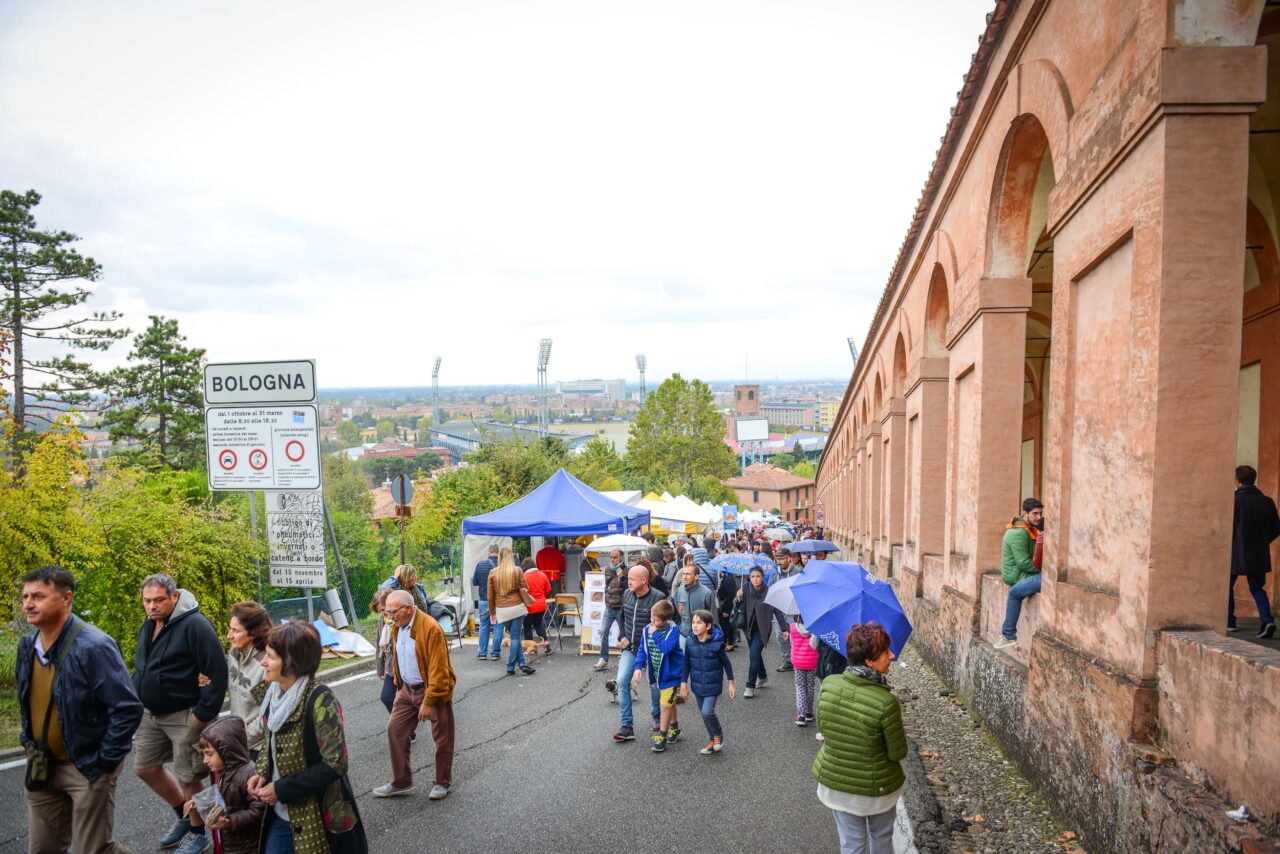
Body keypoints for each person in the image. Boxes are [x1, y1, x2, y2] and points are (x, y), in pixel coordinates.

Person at [18, 565, 143, 854]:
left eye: (38, 596)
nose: (28, 604)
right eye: (25, 596)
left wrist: (104, 764)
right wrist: (28, 742)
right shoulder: (27, 645)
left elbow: (127, 709)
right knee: (42, 849)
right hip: (41, 764)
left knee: (94, 849)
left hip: (86, 766)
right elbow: (28, 702)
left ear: (66, 598)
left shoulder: (94, 646)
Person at [247, 621, 367, 854]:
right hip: (280, 814)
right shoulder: (273, 694)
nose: (263, 662)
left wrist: (282, 789)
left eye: (270, 657)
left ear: (291, 663)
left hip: (317, 815)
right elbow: (270, 741)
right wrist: (261, 772)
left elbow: (335, 764)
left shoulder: (320, 700)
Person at [133, 574, 228, 851]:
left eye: (159, 600)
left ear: (174, 597)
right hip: (152, 714)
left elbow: (217, 671)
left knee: (191, 777)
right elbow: (145, 666)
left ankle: (205, 831)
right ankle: (186, 816)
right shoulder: (149, 624)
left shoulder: (195, 625)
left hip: (186, 714)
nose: (152, 606)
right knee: (145, 767)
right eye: (147, 601)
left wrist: (201, 714)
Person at [813, 623, 906, 854]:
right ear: (869, 661)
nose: (892, 656)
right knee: (882, 839)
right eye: (885, 652)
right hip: (877, 791)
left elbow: (823, 727)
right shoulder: (886, 703)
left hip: (837, 784)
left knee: (851, 844)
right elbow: (897, 753)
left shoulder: (829, 686)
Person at [375, 590, 458, 801]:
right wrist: (398, 685)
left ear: (409, 609)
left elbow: (439, 671)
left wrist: (429, 701)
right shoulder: (397, 626)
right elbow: (398, 657)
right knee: (395, 730)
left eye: (393, 612)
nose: (390, 617)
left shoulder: (430, 628)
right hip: (406, 689)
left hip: (432, 690)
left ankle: (442, 782)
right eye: (387, 613)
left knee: (443, 738)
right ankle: (401, 781)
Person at [180, 716, 265, 854]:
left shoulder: (249, 775)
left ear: (227, 750)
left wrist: (229, 821)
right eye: (203, 754)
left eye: (209, 754)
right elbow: (223, 797)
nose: (205, 760)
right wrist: (199, 803)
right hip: (232, 841)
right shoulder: (225, 772)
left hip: (246, 845)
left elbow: (259, 811)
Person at [612, 565, 667, 743]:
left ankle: (658, 717)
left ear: (644, 580)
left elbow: (668, 623)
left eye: (632, 578)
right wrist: (622, 635)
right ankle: (627, 726)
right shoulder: (627, 594)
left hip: (652, 649)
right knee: (621, 682)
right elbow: (621, 616)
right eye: (628, 578)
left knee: (654, 685)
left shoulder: (658, 597)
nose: (628, 581)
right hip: (630, 648)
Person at [1230, 464, 1280, 638]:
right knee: (1257, 587)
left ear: (1237, 480)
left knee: (1227, 586)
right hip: (1259, 552)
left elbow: (1227, 528)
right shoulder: (1267, 501)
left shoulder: (1233, 502)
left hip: (1235, 552)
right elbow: (1276, 528)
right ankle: (1267, 620)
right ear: (1254, 479)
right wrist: (1262, 542)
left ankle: (1229, 621)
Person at [631, 599, 684, 752]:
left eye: (656, 619)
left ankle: (662, 735)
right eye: (652, 617)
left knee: (665, 704)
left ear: (666, 619)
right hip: (656, 674)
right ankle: (674, 728)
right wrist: (638, 667)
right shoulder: (647, 628)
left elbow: (666, 648)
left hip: (671, 674)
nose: (652, 622)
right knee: (669, 701)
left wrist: (655, 634)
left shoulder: (673, 630)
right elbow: (642, 649)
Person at [680, 609, 736, 755]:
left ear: (708, 626)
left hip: (713, 684)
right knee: (703, 714)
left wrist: (731, 682)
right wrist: (683, 683)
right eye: (693, 622)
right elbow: (686, 663)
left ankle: (718, 736)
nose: (695, 625)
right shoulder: (690, 641)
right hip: (697, 685)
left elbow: (726, 663)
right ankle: (713, 740)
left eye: (699, 622)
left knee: (707, 712)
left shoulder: (717, 643)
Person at [995, 498, 1044, 649]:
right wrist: (1044, 571)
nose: (1038, 517)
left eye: (1040, 514)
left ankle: (1008, 635)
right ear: (1025, 514)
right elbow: (1024, 563)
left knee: (1015, 593)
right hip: (1015, 574)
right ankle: (1008, 635)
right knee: (1015, 592)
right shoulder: (1019, 532)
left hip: (1024, 572)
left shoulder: (1030, 529)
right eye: (1035, 514)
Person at [225, 601, 271, 755]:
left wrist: (243, 739)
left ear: (253, 633)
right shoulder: (234, 653)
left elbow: (267, 714)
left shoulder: (265, 666)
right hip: (236, 739)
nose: (229, 635)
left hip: (257, 748)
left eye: (235, 631)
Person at [487, 547, 535, 675]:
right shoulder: (517, 570)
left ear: (499, 557)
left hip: (502, 609)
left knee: (514, 637)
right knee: (515, 637)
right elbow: (526, 588)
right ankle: (510, 666)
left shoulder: (493, 573)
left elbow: (490, 597)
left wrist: (492, 612)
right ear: (510, 557)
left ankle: (523, 664)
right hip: (517, 607)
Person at [739, 566, 776, 698]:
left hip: (763, 629)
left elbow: (776, 610)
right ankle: (763, 675)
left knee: (753, 654)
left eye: (758, 576)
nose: (755, 579)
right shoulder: (745, 587)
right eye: (753, 576)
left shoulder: (768, 591)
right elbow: (736, 605)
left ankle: (749, 686)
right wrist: (738, 597)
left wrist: (784, 629)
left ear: (763, 577)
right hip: (748, 627)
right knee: (755, 655)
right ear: (749, 577)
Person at [595, 550, 627, 672]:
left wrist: (622, 577)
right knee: (603, 631)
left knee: (623, 635)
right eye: (611, 557)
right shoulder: (607, 569)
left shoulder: (626, 570)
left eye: (615, 557)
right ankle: (603, 658)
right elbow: (606, 585)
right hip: (609, 606)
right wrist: (606, 593)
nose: (612, 559)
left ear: (621, 557)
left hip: (621, 607)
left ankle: (624, 658)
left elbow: (628, 587)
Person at [672, 562, 715, 641]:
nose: (684, 577)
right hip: (683, 635)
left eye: (688, 574)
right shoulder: (679, 591)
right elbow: (676, 612)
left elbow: (714, 619)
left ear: (696, 576)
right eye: (683, 574)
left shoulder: (707, 593)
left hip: (701, 638)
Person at [773, 547, 799, 673]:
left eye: (783, 558)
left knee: (793, 635)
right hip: (778, 608)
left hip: (793, 609)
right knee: (780, 636)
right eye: (778, 558)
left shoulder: (797, 572)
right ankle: (786, 661)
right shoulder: (775, 573)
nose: (780, 561)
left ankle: (796, 660)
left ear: (789, 558)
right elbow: (770, 589)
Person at [472, 545, 499, 661]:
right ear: (498, 552)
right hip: (499, 601)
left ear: (489, 552)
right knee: (498, 626)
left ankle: (482, 653)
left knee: (484, 626)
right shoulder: (502, 565)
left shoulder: (480, 564)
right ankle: (495, 653)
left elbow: (475, 582)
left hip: (484, 600)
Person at [790, 618, 818, 726]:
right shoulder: (814, 627)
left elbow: (792, 643)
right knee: (810, 686)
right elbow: (815, 644)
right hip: (812, 661)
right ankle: (809, 713)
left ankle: (801, 715)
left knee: (800, 686)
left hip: (798, 661)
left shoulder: (792, 627)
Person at [523, 558, 553, 653]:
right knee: (539, 625)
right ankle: (545, 642)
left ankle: (530, 648)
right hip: (541, 605)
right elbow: (548, 589)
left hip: (530, 606)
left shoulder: (524, 577)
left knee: (527, 627)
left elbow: (523, 592)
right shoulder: (542, 574)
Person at [716, 562, 739, 652]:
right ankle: (728, 641)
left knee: (727, 625)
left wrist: (726, 610)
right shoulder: (728, 578)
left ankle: (730, 643)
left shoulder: (729, 579)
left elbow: (730, 596)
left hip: (726, 606)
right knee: (726, 624)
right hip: (725, 605)